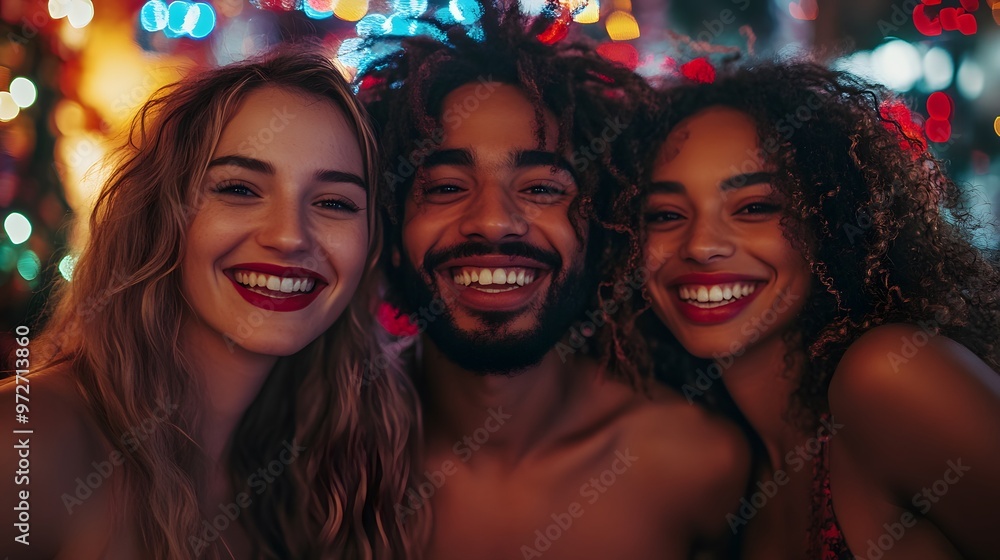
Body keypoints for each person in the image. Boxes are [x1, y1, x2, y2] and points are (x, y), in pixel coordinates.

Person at [357, 3, 750, 558]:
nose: (493, 220)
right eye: (445, 187)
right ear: (391, 232)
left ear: (602, 232)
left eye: (542, 188)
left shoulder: (699, 464)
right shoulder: (324, 462)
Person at [0, 46, 425, 559]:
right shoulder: (28, 441)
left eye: (334, 202)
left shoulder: (322, 475)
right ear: (161, 216)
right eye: (240, 189)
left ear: (371, 242)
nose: (290, 236)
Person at [632, 59, 1000, 559]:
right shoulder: (734, 475)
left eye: (755, 207)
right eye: (665, 215)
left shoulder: (888, 375)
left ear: (827, 221)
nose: (700, 246)